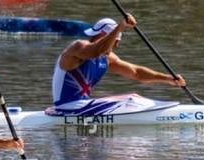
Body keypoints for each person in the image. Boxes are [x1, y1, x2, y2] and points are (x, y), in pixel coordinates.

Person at [50, 15, 186, 113]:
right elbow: (96, 50)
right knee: (131, 99)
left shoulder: (106, 58)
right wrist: (121, 26)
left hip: (80, 107)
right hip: (68, 107)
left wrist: (167, 78)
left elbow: (136, 73)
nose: (116, 45)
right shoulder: (78, 47)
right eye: (115, 41)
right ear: (103, 35)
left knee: (133, 97)